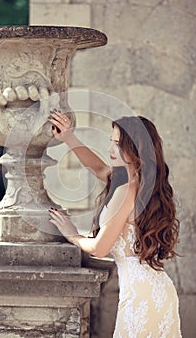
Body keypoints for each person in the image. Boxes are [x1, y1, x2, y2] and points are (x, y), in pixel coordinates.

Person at [48, 111, 182, 337]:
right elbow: (100, 169)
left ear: (135, 149)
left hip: (140, 298)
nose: (110, 150)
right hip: (158, 291)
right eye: (111, 142)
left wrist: (71, 234)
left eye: (117, 145)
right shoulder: (144, 184)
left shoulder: (127, 190)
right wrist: (69, 138)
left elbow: (100, 249)